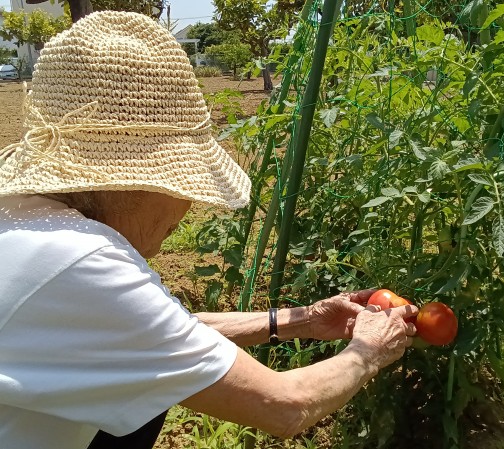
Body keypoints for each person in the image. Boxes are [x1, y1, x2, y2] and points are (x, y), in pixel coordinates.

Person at [0, 11, 417, 449]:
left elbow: (155, 332)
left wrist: (301, 320)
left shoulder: (28, 224)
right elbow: (286, 406)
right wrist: (369, 351)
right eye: (180, 184)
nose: (188, 204)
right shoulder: (83, 263)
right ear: (134, 181)